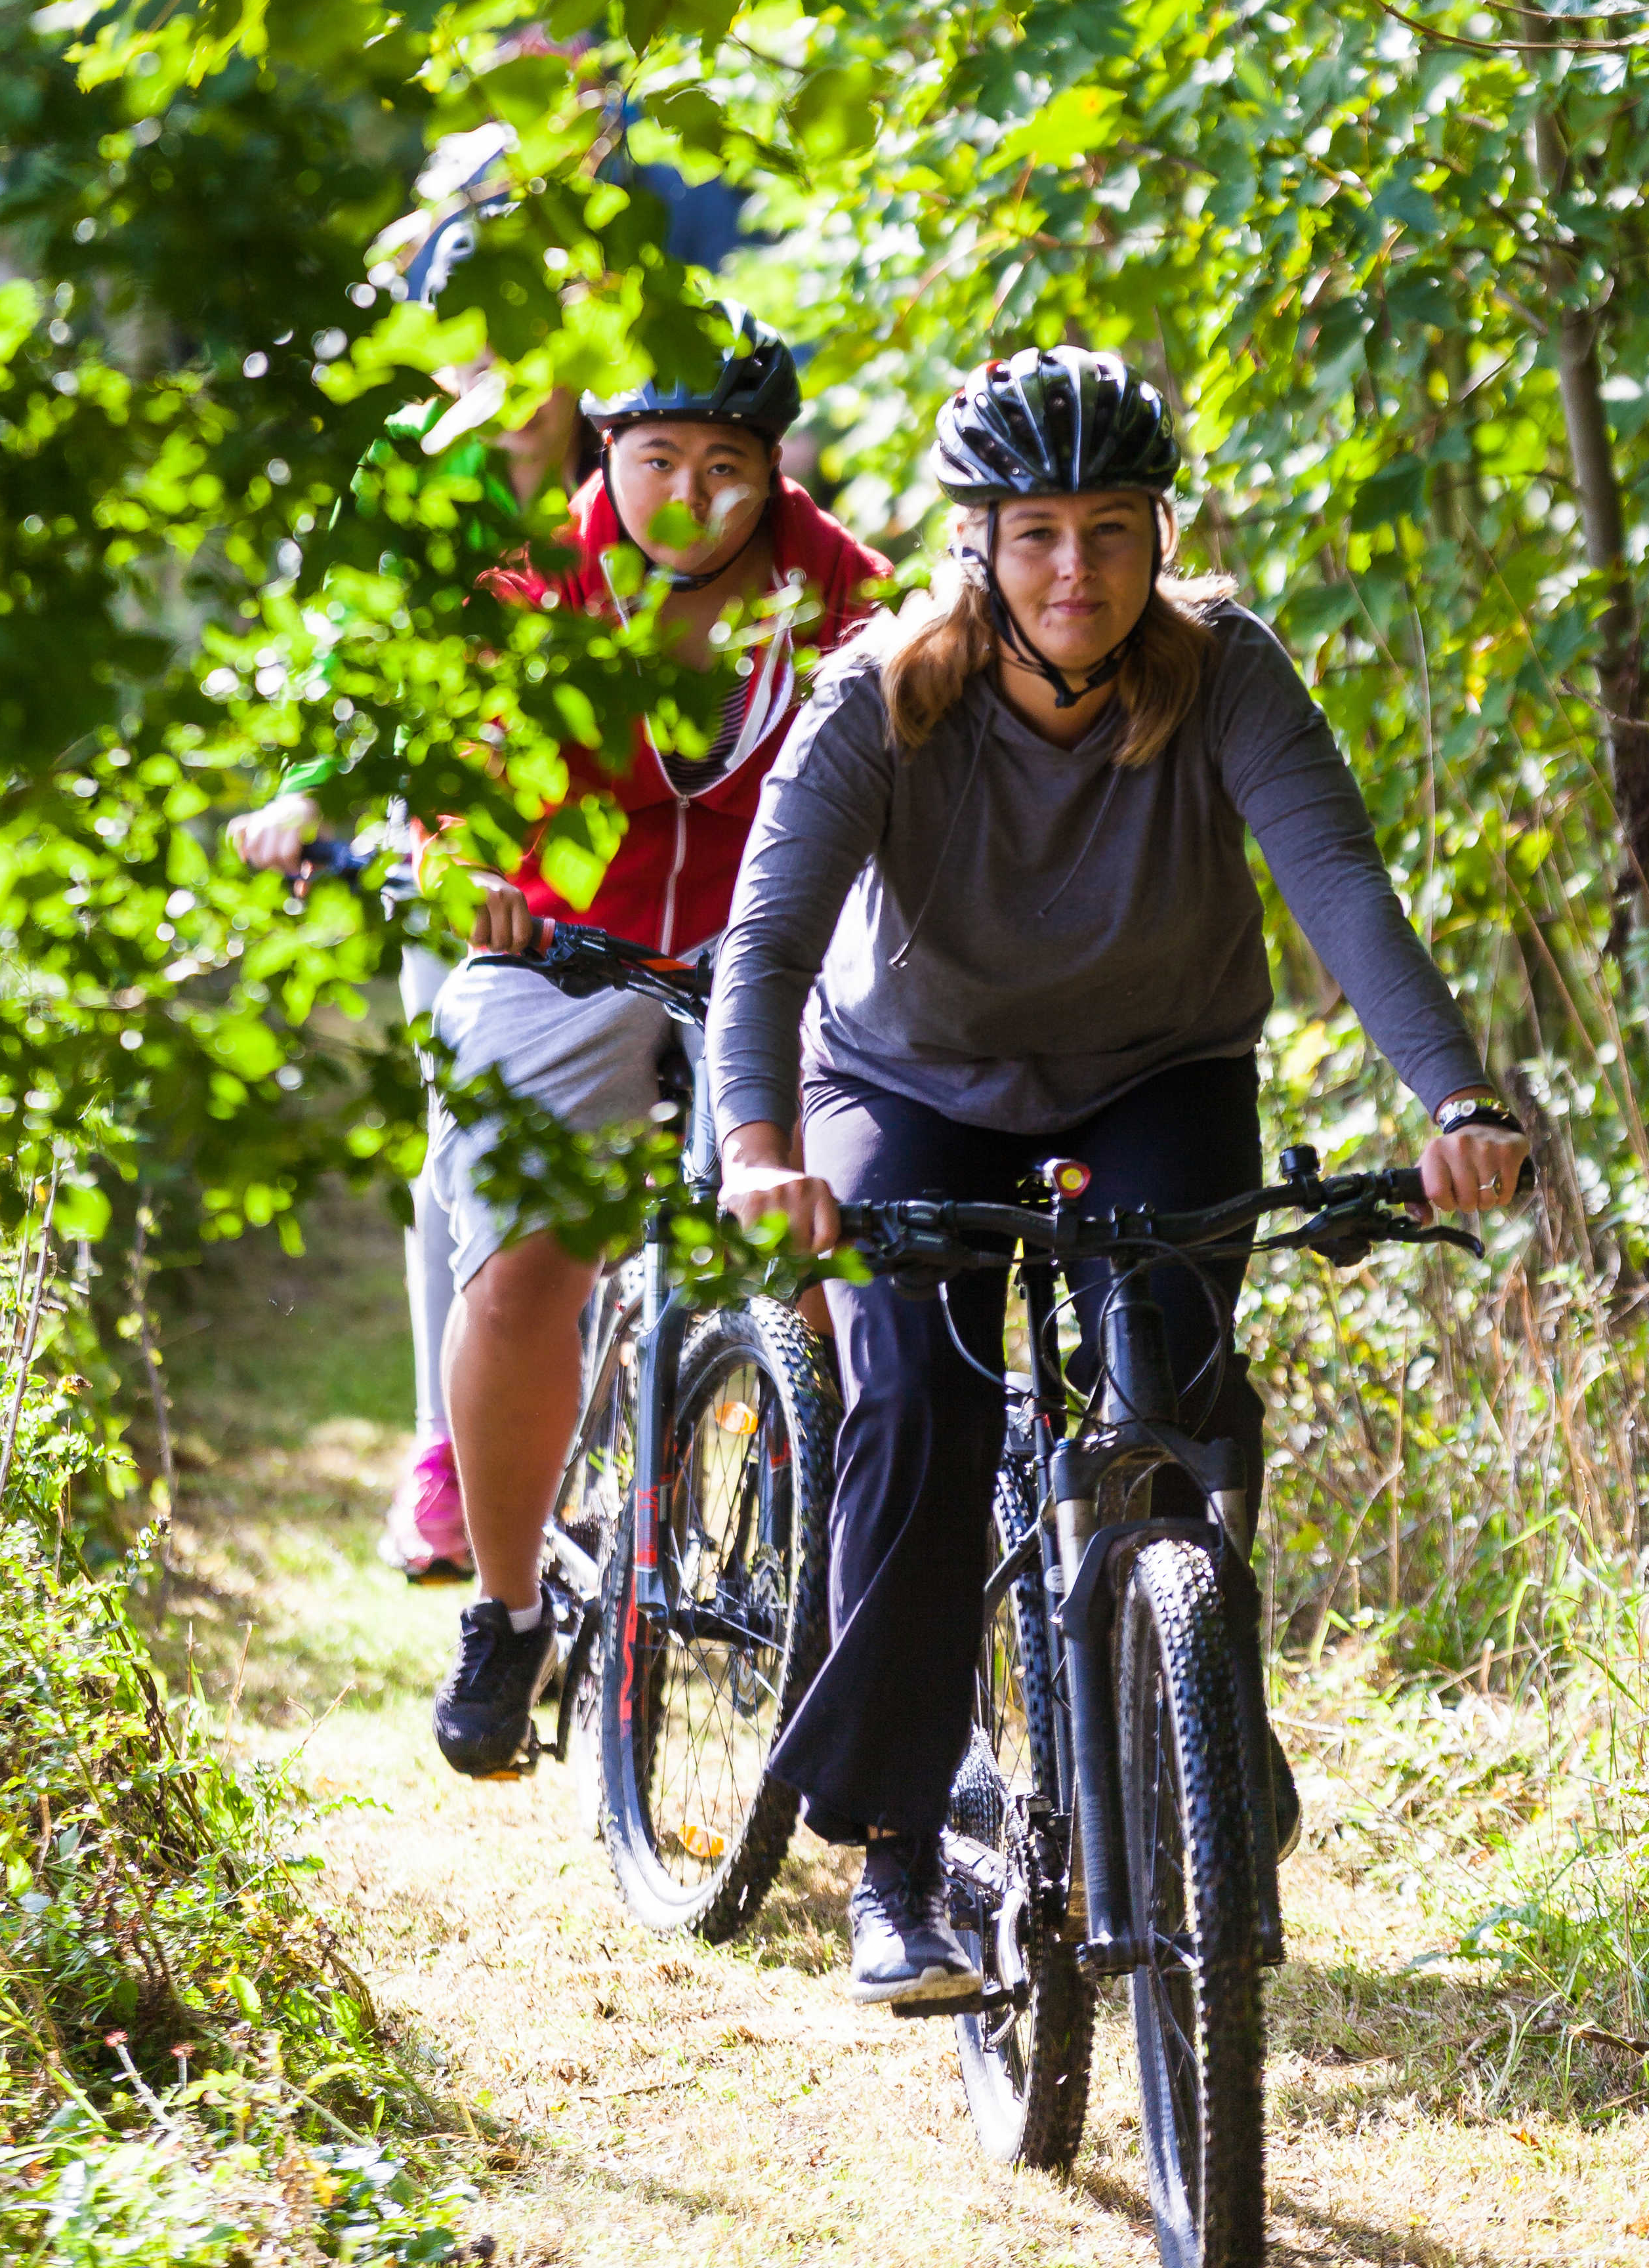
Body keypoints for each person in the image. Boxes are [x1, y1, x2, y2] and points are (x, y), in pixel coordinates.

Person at [706, 342, 1532, 2008]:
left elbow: (1340, 890)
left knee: (1177, 1386)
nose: (1073, 568)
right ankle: (898, 1856)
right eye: (1033, 534)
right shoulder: (881, 696)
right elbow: (767, 945)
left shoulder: (1224, 674)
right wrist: (755, 1153)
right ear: (978, 549)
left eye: (1108, 529)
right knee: (922, 1409)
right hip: (912, 1078)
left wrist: (1456, 1096)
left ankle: (1197, 1698)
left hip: (1160, 1072)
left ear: (1161, 535)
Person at [424, 312, 890, 1779]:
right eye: (658, 457)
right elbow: (449, 782)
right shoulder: (535, 589)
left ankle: (825, 1598)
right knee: (527, 1271)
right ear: (605, 451)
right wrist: (472, 877)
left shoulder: (840, 592)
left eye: (729, 464)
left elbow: (926, 745)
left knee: (826, 1263)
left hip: (781, 962)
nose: (692, 492)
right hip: (564, 949)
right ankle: (507, 1611)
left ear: (775, 470)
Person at [227, 158, 596, 1583]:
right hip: (455, 845)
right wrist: (308, 795)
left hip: (627, 843)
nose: (510, 365)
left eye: (540, 328)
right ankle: (451, 1443)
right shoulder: (407, 469)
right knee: (462, 1147)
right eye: (481, 329)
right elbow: (350, 664)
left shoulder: (639, 463)